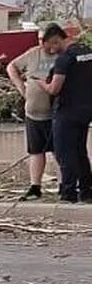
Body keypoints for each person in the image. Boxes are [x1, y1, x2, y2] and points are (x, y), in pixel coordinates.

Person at [7, 29, 62, 199]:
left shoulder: (62, 57)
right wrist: (20, 87)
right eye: (39, 39)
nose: (42, 43)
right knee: (36, 151)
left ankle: (64, 185)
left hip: (55, 114)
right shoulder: (32, 54)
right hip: (33, 113)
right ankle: (35, 186)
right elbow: (12, 66)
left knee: (59, 151)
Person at [43, 24, 92, 202]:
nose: (51, 51)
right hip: (86, 110)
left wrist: (42, 84)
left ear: (56, 40)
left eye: (51, 47)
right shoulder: (87, 52)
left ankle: (69, 193)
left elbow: (54, 89)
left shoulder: (64, 59)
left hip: (67, 111)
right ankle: (87, 191)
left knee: (65, 153)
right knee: (80, 152)